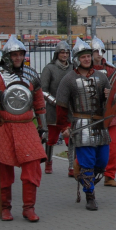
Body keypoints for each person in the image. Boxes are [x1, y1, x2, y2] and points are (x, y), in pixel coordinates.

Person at [0, 35, 47, 222]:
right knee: (4, 171)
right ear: (7, 56)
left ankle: (28, 208)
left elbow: (39, 102)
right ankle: (5, 207)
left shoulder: (32, 75)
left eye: (20, 54)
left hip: (26, 127)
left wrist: (43, 127)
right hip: (3, 127)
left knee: (32, 168)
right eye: (14, 54)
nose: (17, 58)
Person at [55, 38, 111, 211]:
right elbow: (61, 105)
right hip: (81, 125)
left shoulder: (101, 77)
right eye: (83, 57)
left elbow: (111, 103)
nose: (87, 59)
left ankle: (84, 178)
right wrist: (64, 127)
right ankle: (90, 196)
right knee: (87, 161)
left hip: (100, 124)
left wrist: (110, 96)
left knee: (102, 161)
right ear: (77, 59)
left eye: (88, 56)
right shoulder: (69, 79)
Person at [91, 37, 116, 188]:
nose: (99, 54)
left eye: (101, 51)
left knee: (113, 147)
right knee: (89, 146)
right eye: (96, 51)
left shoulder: (111, 69)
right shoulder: (83, 69)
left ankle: (109, 176)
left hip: (109, 113)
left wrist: (111, 94)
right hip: (90, 113)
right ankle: (85, 172)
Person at [40, 40, 72, 175]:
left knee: (70, 138)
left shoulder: (73, 68)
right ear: (57, 54)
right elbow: (43, 90)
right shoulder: (49, 68)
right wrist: (56, 102)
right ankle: (48, 163)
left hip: (69, 110)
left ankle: (72, 166)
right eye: (62, 52)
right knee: (50, 139)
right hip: (53, 109)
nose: (64, 55)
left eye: (66, 52)